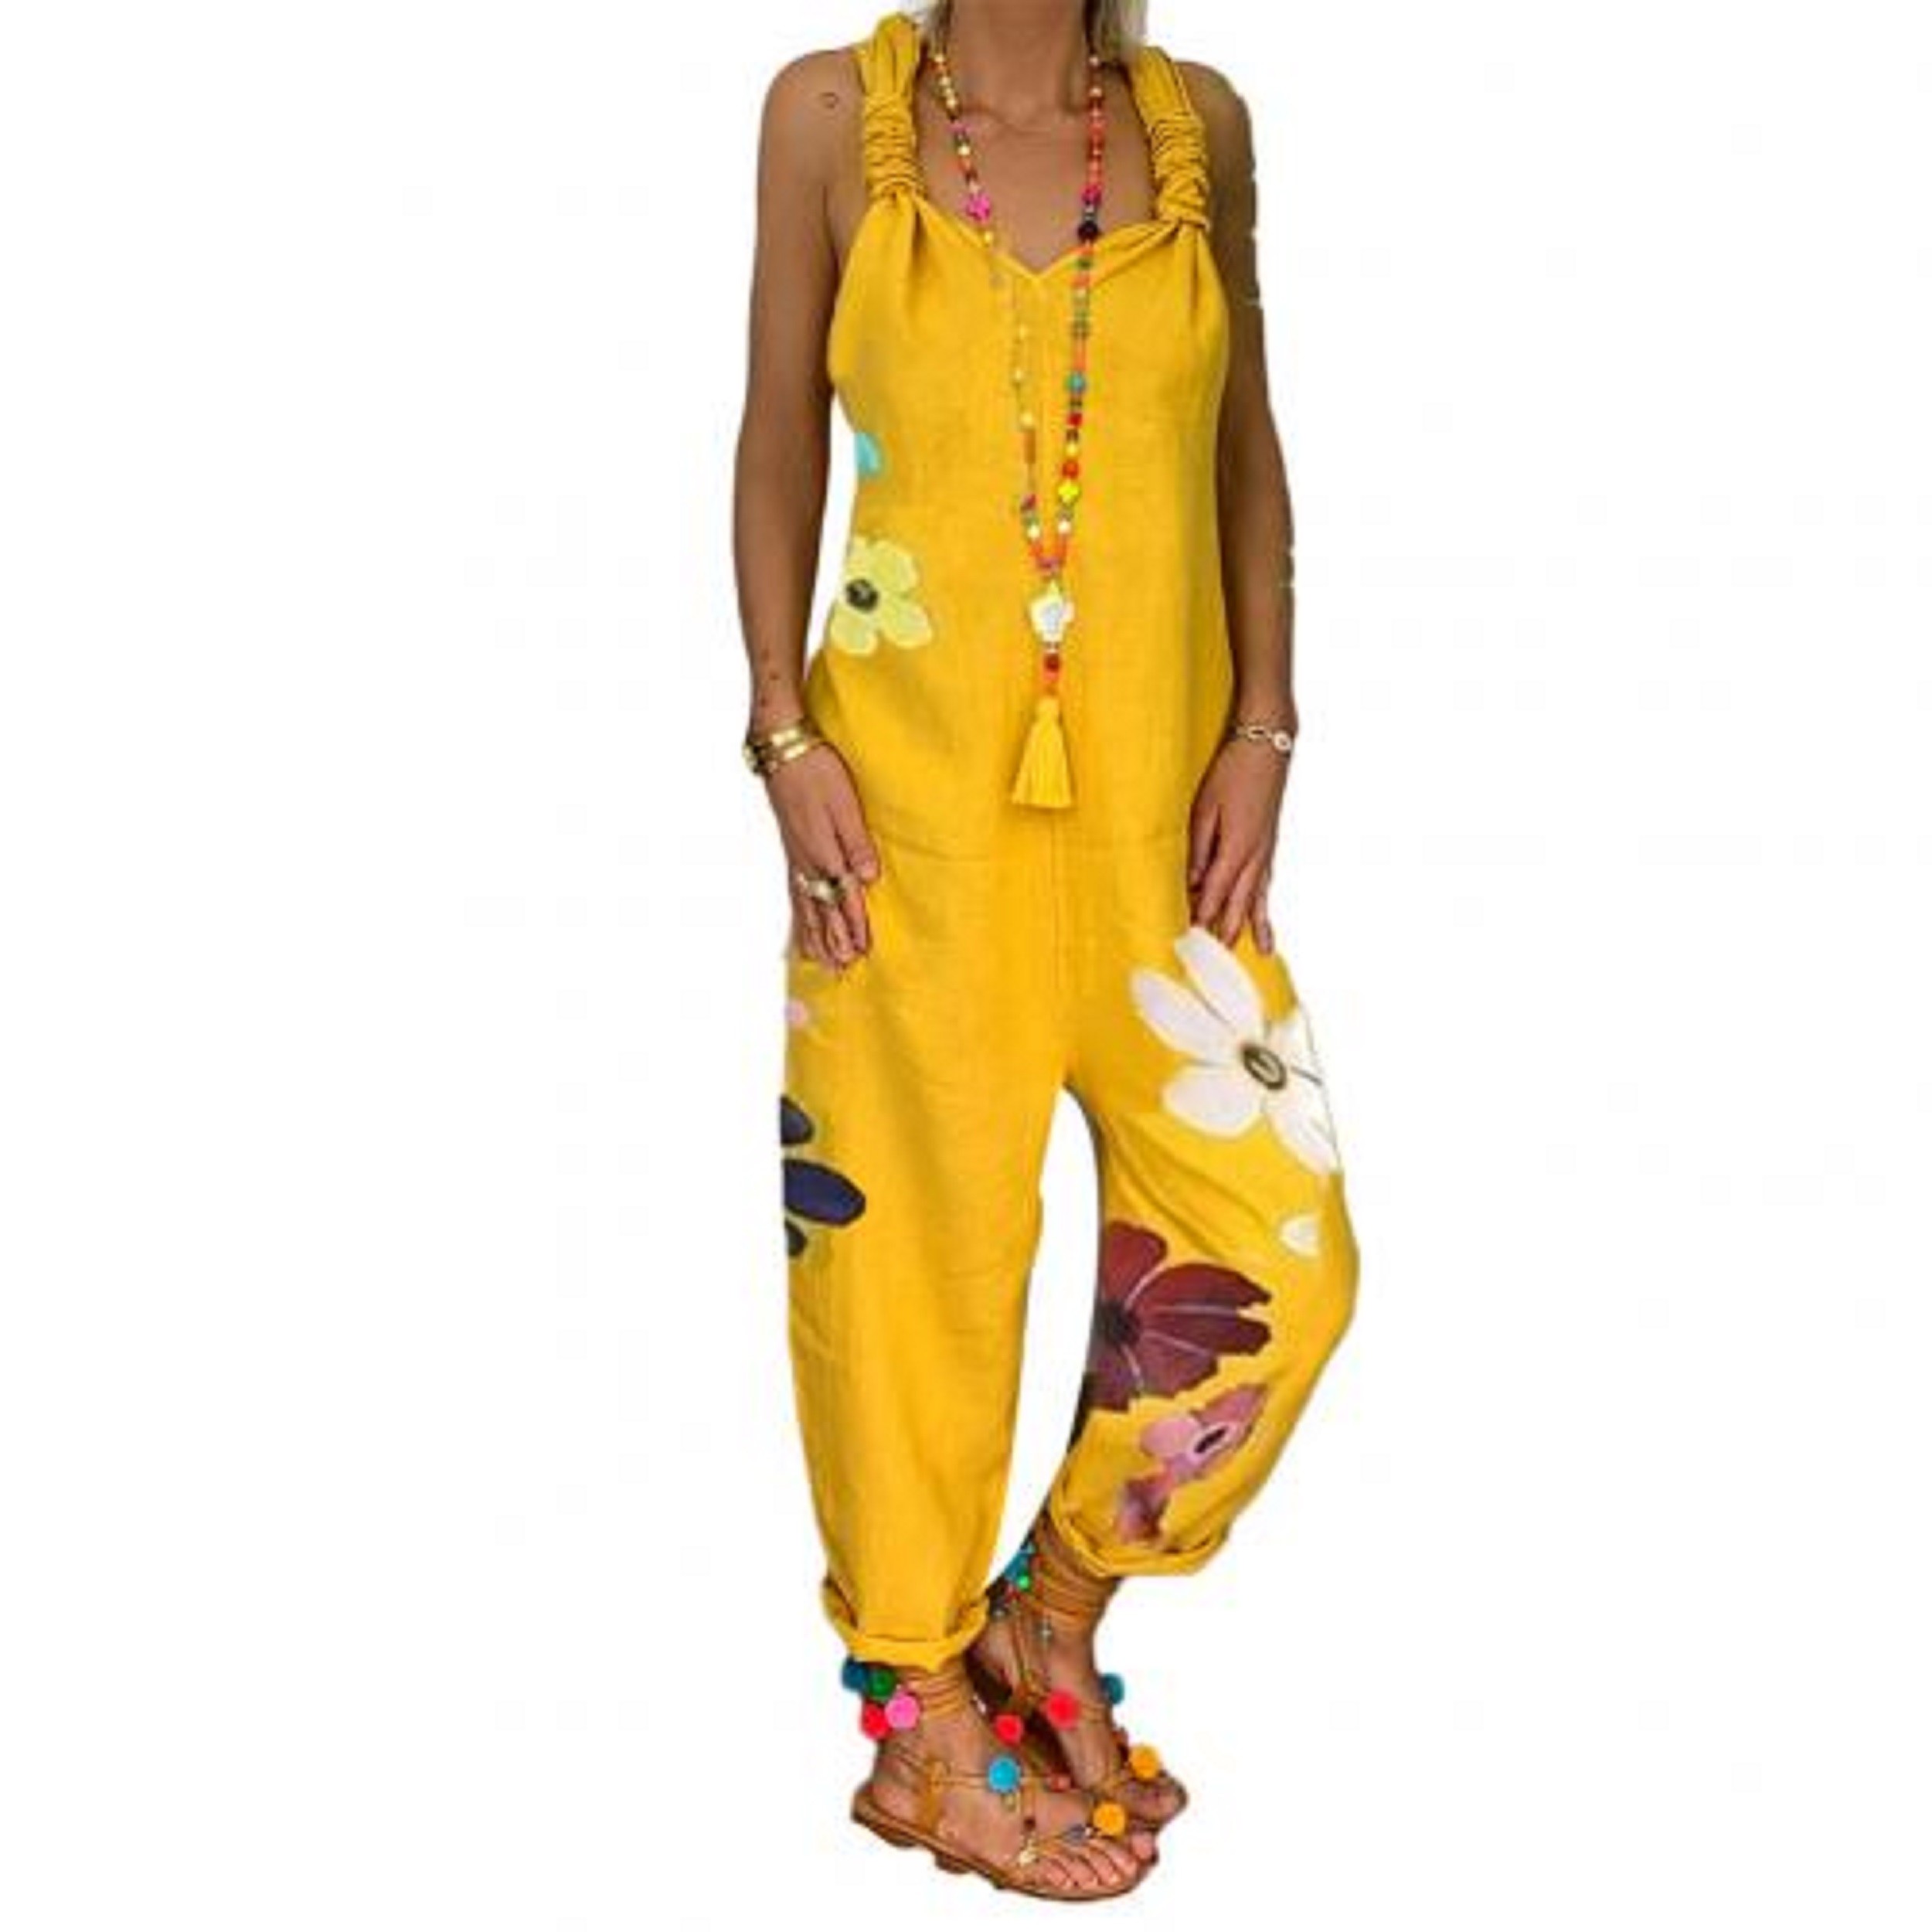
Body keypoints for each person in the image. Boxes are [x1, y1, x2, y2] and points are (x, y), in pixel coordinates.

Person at [735, 0, 1360, 1898]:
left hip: (1163, 833)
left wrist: (1263, 726)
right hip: (904, 827)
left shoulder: (1195, 128)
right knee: (909, 1276)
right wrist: (782, 731)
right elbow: (775, 436)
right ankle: (920, 1717)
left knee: (1280, 1253)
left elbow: (1243, 443)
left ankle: (1053, 1604)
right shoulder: (827, 116)